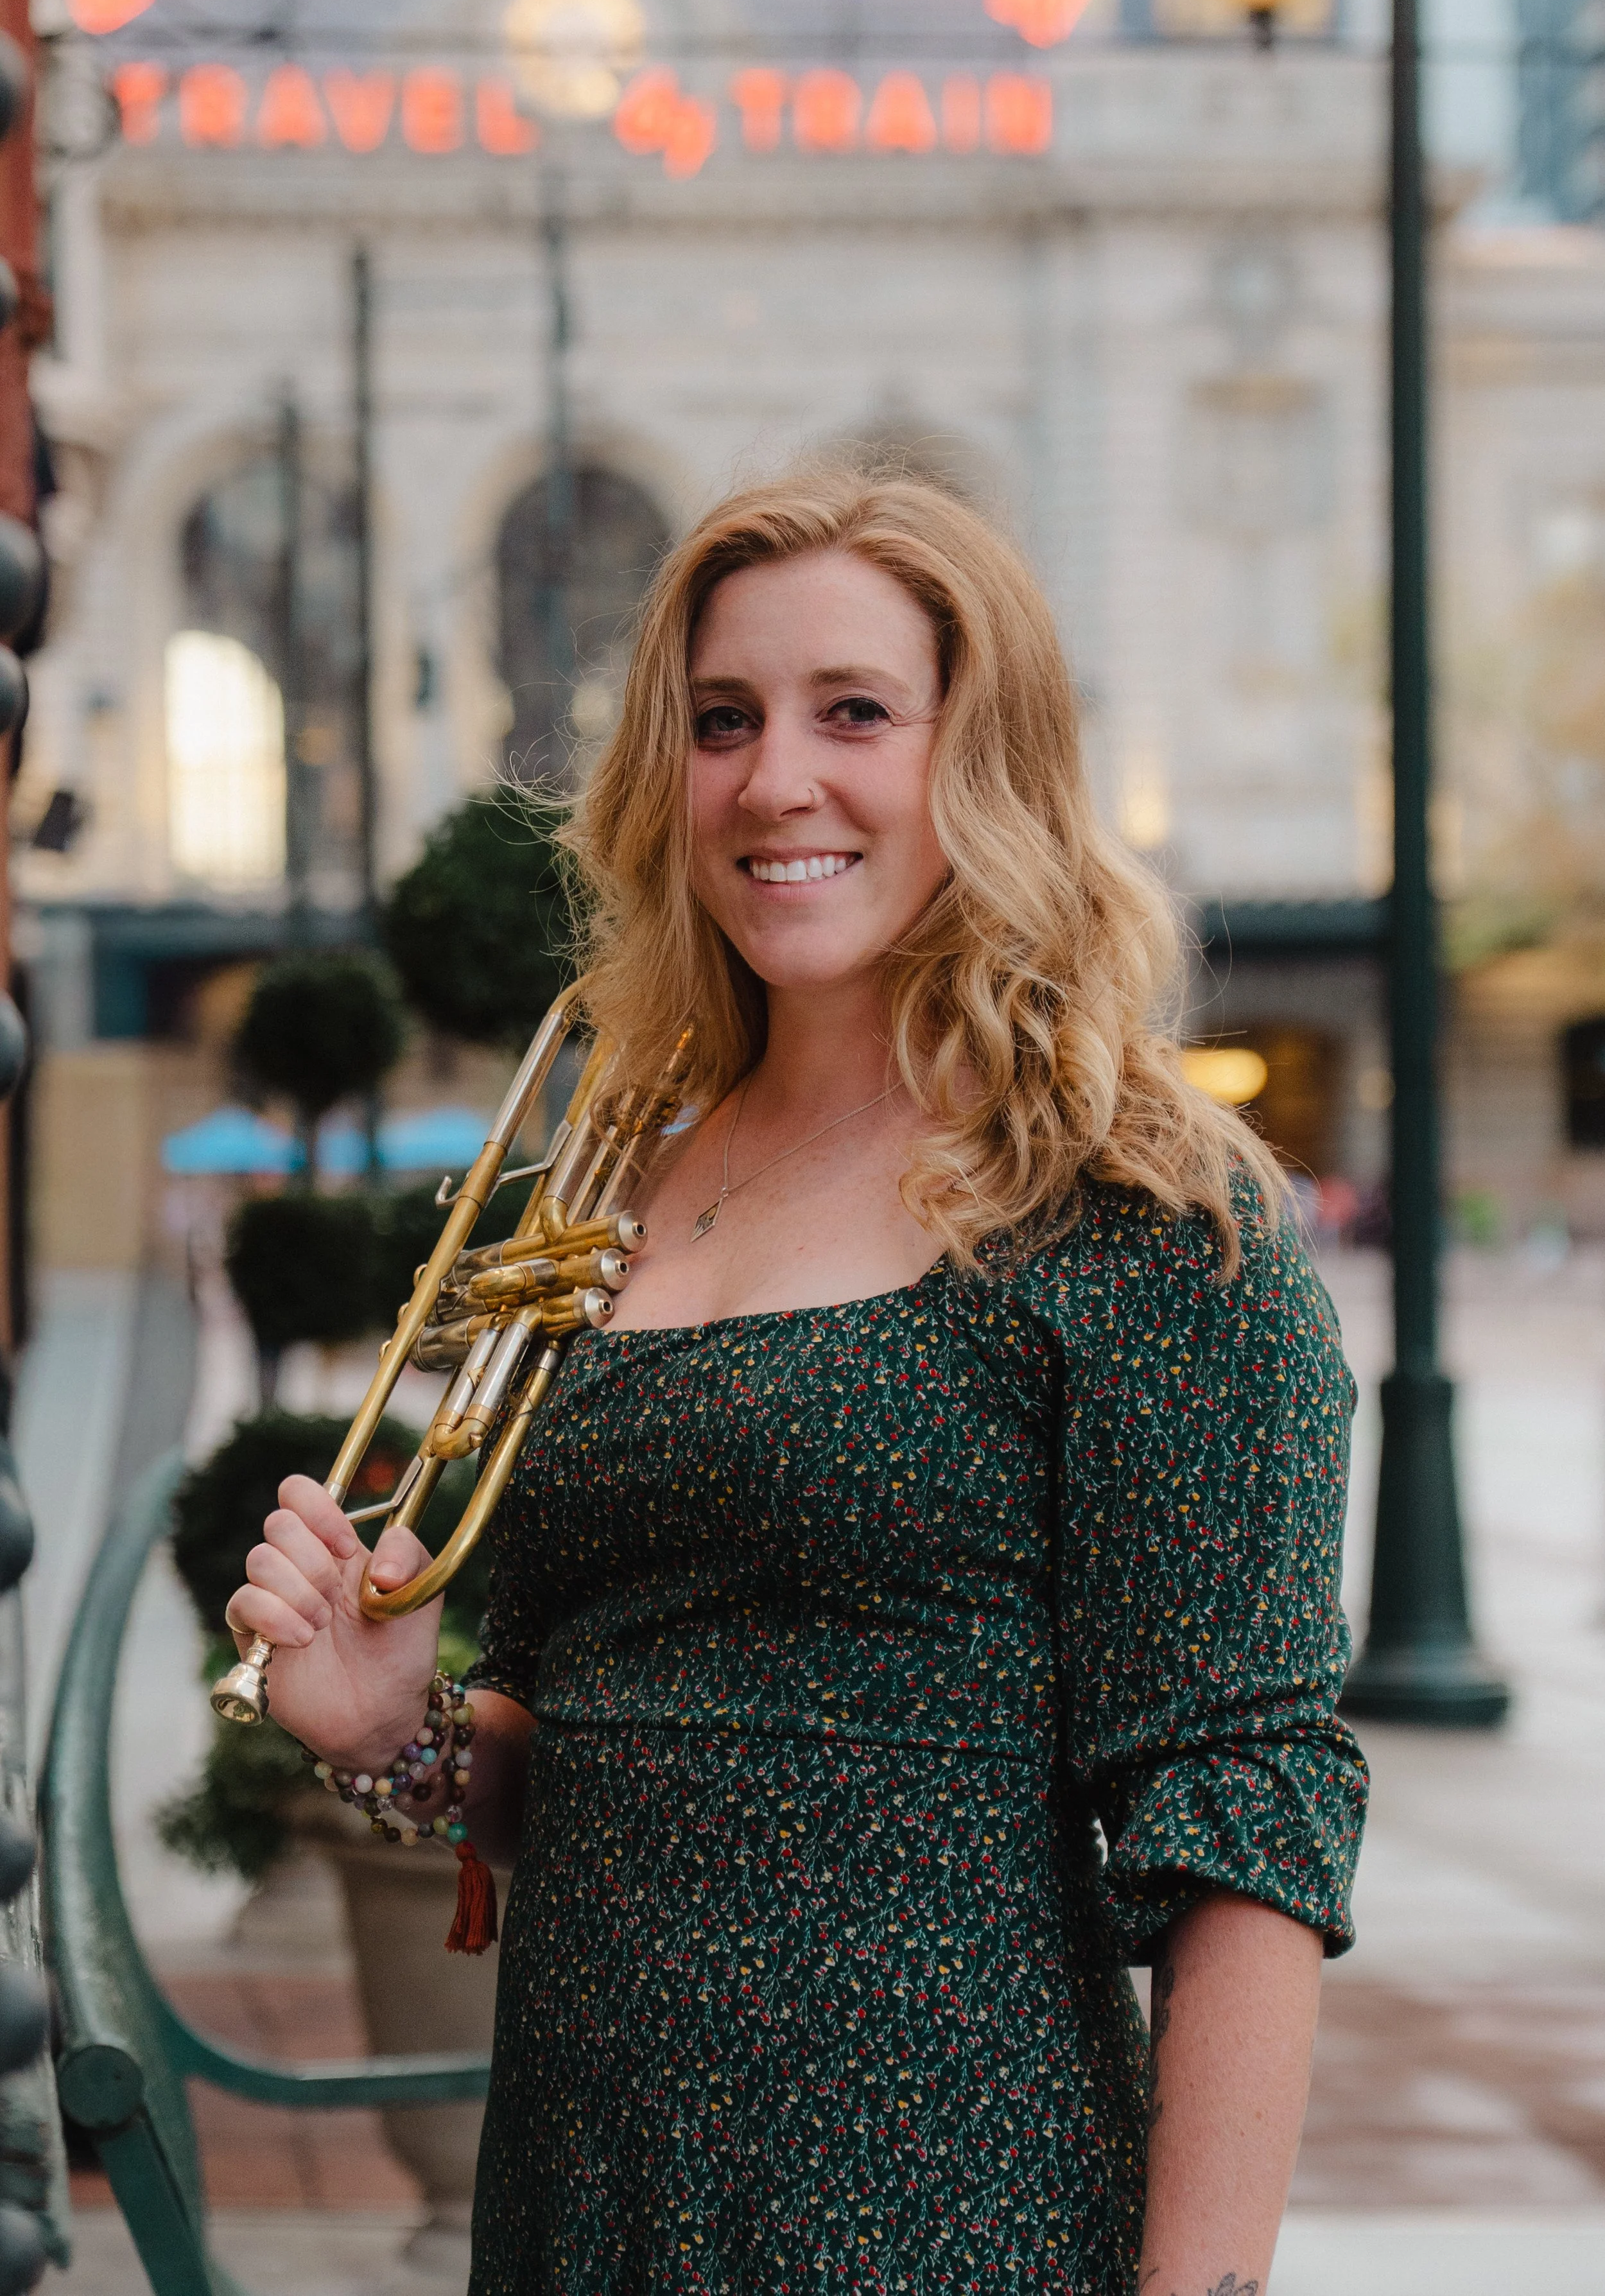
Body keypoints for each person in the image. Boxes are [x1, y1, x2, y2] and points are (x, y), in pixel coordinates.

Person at [225, 470, 1368, 2296]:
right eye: (721, 720)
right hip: (588, 2188)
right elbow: (618, 1743)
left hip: (947, 2208)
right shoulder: (610, 1182)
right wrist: (400, 1735)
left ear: (982, 758)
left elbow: (1242, 1820)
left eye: (854, 712)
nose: (774, 782)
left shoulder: (1138, 1212)